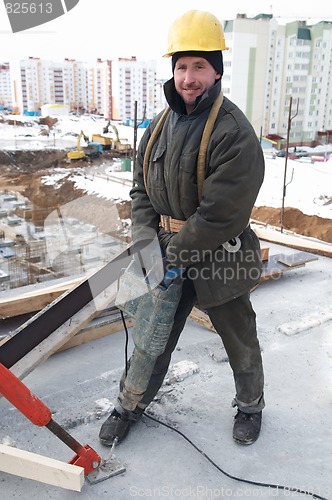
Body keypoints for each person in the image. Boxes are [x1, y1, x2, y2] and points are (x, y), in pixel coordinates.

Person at [99, 9, 265, 447]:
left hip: (218, 252)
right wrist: (143, 241)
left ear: (216, 71)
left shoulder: (234, 133)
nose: (188, 77)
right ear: (172, 71)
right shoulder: (157, 128)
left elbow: (221, 214)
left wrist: (171, 255)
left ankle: (250, 406)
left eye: (199, 67)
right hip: (164, 248)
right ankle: (129, 404)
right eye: (181, 66)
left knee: (238, 337)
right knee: (152, 337)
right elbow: (140, 191)